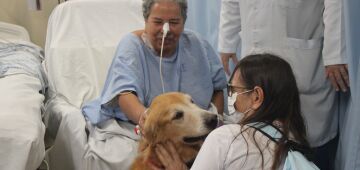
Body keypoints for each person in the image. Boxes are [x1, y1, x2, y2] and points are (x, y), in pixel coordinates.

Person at [217, 0, 348, 169]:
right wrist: (227, 41)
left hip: (301, 52)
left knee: (307, 145)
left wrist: (335, 53)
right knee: (258, 145)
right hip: (255, 51)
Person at [82, 0, 226, 136]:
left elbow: (218, 87)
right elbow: (123, 93)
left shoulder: (196, 43)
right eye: (158, 22)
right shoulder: (132, 45)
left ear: (183, 22)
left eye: (174, 22)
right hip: (142, 125)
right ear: (146, 20)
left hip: (200, 125)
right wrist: (146, 119)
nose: (166, 30)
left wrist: (216, 123)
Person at [155, 53, 314, 170]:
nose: (230, 97)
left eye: (233, 90)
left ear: (256, 96)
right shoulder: (295, 143)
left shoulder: (226, 138)